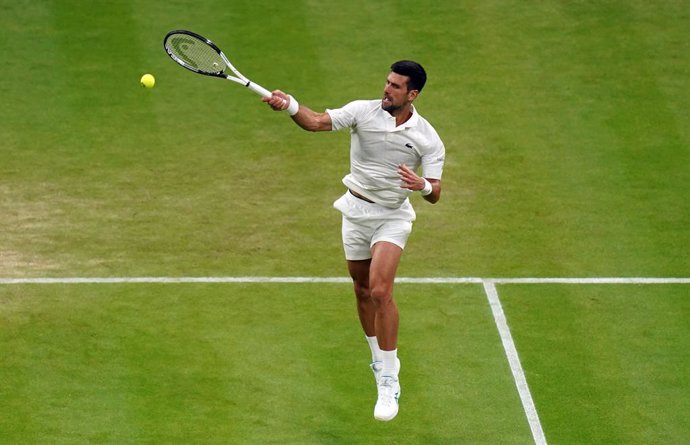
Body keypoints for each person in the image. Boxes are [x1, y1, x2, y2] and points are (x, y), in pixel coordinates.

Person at [262, 60, 445, 421]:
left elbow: (436, 191)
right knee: (361, 289)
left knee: (380, 291)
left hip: (392, 218)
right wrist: (291, 105)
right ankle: (378, 361)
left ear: (413, 94)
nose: (386, 90)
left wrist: (421, 185)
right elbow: (316, 122)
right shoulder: (363, 111)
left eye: (395, 86)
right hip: (355, 213)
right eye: (386, 82)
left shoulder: (428, 137)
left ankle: (390, 378)